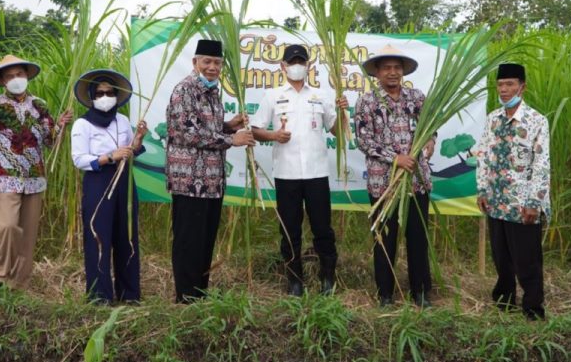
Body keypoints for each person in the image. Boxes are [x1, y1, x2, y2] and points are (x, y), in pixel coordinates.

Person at [251, 44, 348, 296]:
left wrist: (343, 112)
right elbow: (254, 129)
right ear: (283, 66)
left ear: (308, 66)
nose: (296, 66)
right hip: (286, 174)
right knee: (289, 230)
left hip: (317, 174)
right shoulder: (272, 96)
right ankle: (295, 280)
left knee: (322, 229)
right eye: (292, 61)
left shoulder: (320, 96)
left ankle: (328, 278)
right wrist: (274, 134)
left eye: (301, 61)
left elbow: (337, 132)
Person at [165, 39, 255, 303]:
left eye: (217, 63)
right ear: (195, 62)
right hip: (189, 180)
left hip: (212, 182)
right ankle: (185, 298)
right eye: (207, 61)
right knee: (188, 241)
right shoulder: (184, 90)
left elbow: (207, 129)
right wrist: (231, 139)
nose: (212, 67)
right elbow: (186, 133)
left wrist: (229, 125)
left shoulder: (212, 92)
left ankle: (199, 294)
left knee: (204, 241)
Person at [0, 55, 72, 290]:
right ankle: (0, 276)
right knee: (7, 226)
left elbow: (48, 141)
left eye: (19, 74)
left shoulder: (39, 105)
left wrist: (60, 126)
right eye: (9, 76)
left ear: (27, 76)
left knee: (28, 233)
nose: (15, 79)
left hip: (34, 178)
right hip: (4, 177)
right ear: (2, 81)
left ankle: (19, 283)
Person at [354, 45, 435, 307]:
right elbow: (364, 140)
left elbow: (431, 128)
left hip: (416, 181)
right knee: (385, 240)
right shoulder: (367, 102)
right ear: (377, 72)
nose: (392, 72)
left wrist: (430, 142)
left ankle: (420, 293)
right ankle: (385, 295)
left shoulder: (417, 98)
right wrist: (396, 158)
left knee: (418, 239)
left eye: (397, 68)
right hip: (383, 185)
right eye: (386, 67)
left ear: (403, 71)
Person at [476, 63, 550, 320]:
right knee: (501, 255)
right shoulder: (492, 119)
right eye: (500, 85)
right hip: (496, 200)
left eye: (509, 84)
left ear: (522, 87)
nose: (504, 90)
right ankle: (504, 300)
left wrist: (534, 202)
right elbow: (483, 155)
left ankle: (532, 307)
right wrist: (482, 189)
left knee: (527, 258)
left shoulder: (537, 121)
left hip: (522, 202)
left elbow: (541, 163)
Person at [71, 69, 147, 305]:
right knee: (98, 237)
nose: (105, 96)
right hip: (98, 181)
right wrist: (107, 157)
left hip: (124, 179)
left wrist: (138, 140)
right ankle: (99, 296)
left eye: (110, 92)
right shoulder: (82, 124)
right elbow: (79, 159)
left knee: (127, 236)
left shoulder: (122, 121)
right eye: (100, 93)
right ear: (92, 96)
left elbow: (130, 151)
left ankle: (129, 293)